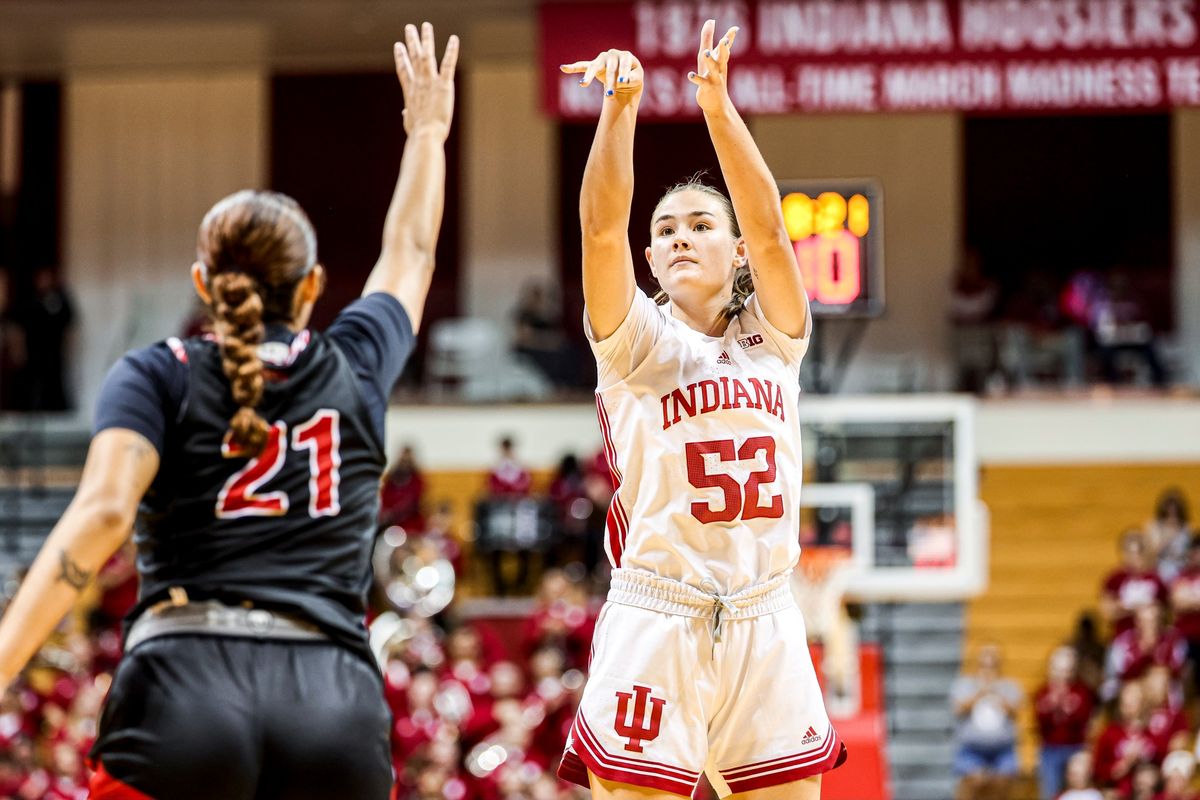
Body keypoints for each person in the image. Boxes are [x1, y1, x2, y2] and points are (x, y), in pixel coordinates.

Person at [0, 23, 458, 800]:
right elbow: (410, 252)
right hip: (334, 702)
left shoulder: (155, 371)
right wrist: (429, 134)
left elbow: (104, 515)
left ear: (203, 284)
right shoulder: (354, 363)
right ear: (312, 286)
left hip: (183, 690)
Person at [555, 20, 844, 799]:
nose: (681, 237)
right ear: (649, 258)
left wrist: (716, 105)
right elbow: (598, 226)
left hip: (765, 613)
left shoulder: (775, 337)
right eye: (667, 230)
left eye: (701, 224)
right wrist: (621, 108)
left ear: (737, 249)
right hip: (661, 613)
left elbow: (777, 233)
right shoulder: (636, 341)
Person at [950, 644, 1024, 800]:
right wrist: (980, 693)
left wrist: (996, 692)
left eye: (992, 666)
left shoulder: (1009, 686)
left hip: (1002, 750)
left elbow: (1016, 712)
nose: (988, 671)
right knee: (973, 783)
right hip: (972, 749)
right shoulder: (965, 685)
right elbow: (958, 709)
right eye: (984, 666)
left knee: (1002, 784)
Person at [1034, 646, 1094, 800]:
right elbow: (1041, 722)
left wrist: (1065, 709)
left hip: (1075, 748)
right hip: (1050, 750)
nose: (1063, 675)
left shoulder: (1081, 692)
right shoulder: (1043, 692)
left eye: (1067, 670)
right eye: (1059, 670)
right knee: (1050, 791)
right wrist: (1053, 705)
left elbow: (1082, 719)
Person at [1101, 529, 1168, 636]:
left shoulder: (1154, 578)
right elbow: (1107, 612)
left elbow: (1164, 611)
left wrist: (1127, 606)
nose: (1133, 557)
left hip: (1152, 638)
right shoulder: (1115, 578)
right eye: (1129, 552)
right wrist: (1138, 606)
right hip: (1123, 635)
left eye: (1137, 552)